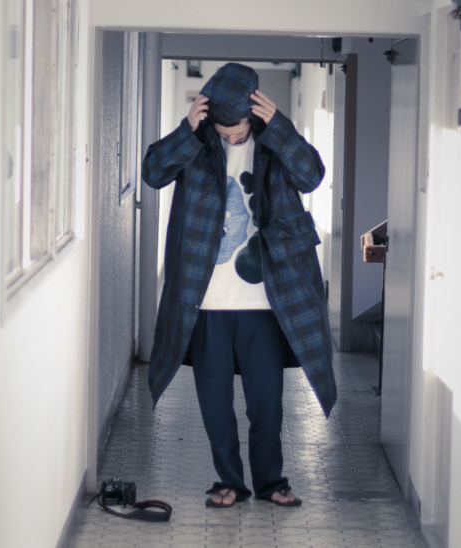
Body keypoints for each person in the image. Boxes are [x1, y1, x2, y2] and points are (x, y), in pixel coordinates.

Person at [142, 63, 336, 508]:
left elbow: (312, 176)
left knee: (266, 403)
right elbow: (153, 172)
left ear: (254, 115)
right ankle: (229, 481)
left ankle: (272, 482)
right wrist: (186, 130)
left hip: (265, 302)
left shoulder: (274, 144)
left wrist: (280, 127)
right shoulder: (197, 144)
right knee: (214, 402)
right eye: (223, 132)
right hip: (205, 301)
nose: (231, 139)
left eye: (239, 131)